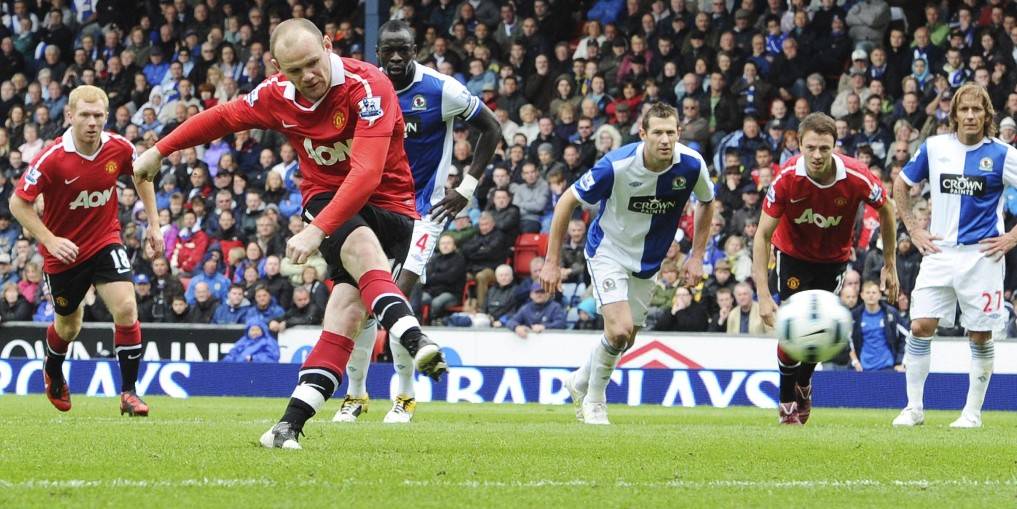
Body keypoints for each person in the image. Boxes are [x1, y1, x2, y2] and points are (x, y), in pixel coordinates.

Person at [131, 19, 446, 449]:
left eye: (314, 63)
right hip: (326, 197)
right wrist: (159, 149)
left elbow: (367, 174)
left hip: (391, 206)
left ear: (328, 45)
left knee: (346, 314)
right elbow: (223, 118)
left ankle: (286, 426)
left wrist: (316, 231)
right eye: (295, 70)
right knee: (355, 273)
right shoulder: (276, 94)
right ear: (278, 68)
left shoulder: (368, 86)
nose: (309, 76)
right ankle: (408, 338)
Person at [335, 20, 500, 424]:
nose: (395, 57)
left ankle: (405, 396)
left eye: (403, 50)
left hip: (423, 214)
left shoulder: (441, 90)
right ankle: (355, 395)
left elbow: (491, 127)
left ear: (415, 50)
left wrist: (467, 187)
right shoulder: (364, 89)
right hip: (373, 210)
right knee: (361, 304)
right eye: (388, 50)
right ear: (377, 53)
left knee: (394, 299)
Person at [540, 102, 714, 425]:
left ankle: (579, 380)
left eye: (671, 132)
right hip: (608, 251)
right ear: (642, 133)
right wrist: (552, 261)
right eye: (658, 132)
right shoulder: (615, 166)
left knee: (626, 338)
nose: (665, 140)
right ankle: (594, 401)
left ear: (679, 133)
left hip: (648, 261)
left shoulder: (692, 165)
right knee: (618, 330)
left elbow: (706, 201)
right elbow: (566, 201)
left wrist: (697, 255)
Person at [10, 85, 162, 416]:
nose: (92, 122)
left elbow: (143, 175)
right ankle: (52, 369)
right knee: (70, 326)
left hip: (105, 240)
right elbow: (18, 204)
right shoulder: (52, 158)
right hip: (63, 253)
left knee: (126, 307)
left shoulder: (119, 147)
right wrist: (50, 240)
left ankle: (129, 393)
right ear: (70, 116)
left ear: (106, 116)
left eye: (98, 115)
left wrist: (154, 223)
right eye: (84, 115)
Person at [752, 112, 899, 426]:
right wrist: (763, 295)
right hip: (792, 255)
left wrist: (890, 263)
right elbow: (762, 235)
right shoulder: (787, 178)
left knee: (820, 329)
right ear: (799, 145)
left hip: (833, 260)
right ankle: (786, 403)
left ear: (835, 146)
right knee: (794, 325)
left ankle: (804, 383)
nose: (817, 155)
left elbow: (887, 208)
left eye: (824, 148)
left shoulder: (856, 176)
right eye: (810, 148)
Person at [892, 83, 1017, 429]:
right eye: (964, 109)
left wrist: (1011, 237)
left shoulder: (1004, 154)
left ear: (987, 115)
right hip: (939, 252)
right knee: (920, 325)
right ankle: (914, 408)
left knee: (980, 335)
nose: (971, 115)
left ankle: (972, 413)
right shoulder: (935, 148)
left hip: (983, 257)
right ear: (955, 114)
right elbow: (901, 184)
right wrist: (914, 229)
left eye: (977, 109)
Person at [849, 280, 906, 372]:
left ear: (880, 295)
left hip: (887, 367)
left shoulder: (891, 313)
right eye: (868, 292)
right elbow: (847, 340)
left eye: (874, 292)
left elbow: (906, 336)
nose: (871, 295)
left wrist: (900, 362)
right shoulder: (855, 316)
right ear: (862, 295)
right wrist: (855, 361)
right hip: (863, 369)